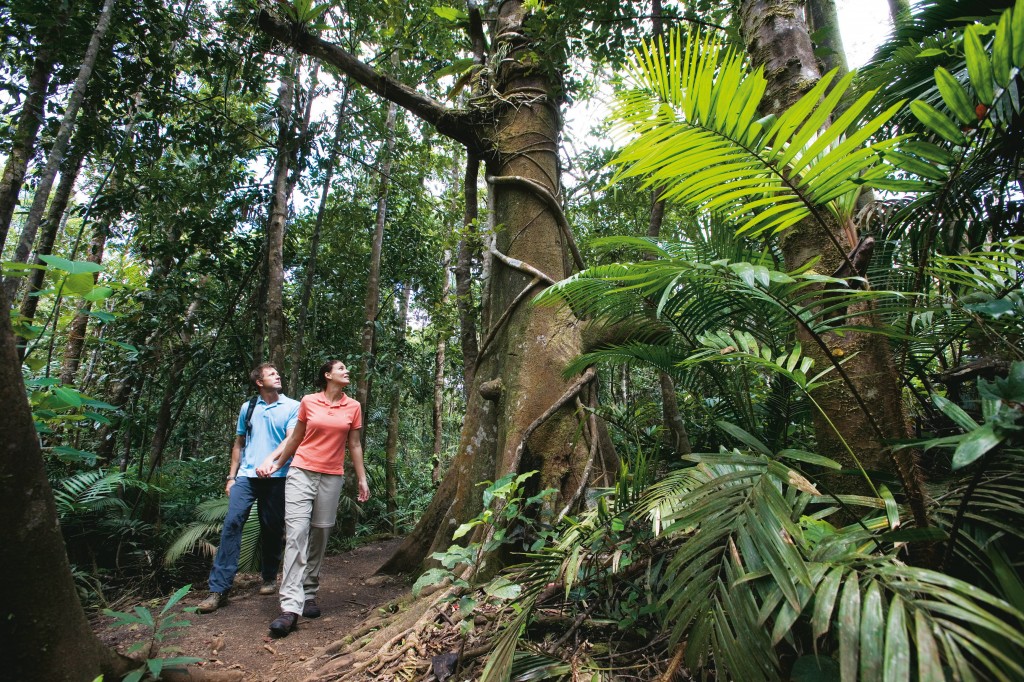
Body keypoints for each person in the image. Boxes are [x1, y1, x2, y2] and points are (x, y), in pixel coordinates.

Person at [256, 359, 370, 638]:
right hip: (301, 472)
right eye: (341, 368)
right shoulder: (309, 401)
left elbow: (353, 444)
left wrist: (362, 478)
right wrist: (277, 463)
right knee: (296, 535)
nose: (347, 372)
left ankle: (309, 593)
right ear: (327, 375)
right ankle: (290, 608)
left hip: (332, 477)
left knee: (320, 534)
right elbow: (296, 438)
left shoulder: (353, 406)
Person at [197, 363, 300, 614]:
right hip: (246, 476)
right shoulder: (249, 407)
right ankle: (219, 589)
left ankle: (267, 576)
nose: (277, 376)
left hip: (277, 476)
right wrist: (231, 477)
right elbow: (239, 443)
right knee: (232, 524)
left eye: (278, 372)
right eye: (271, 374)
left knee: (272, 527)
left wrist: (273, 464)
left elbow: (290, 439)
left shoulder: (292, 406)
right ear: (259, 381)